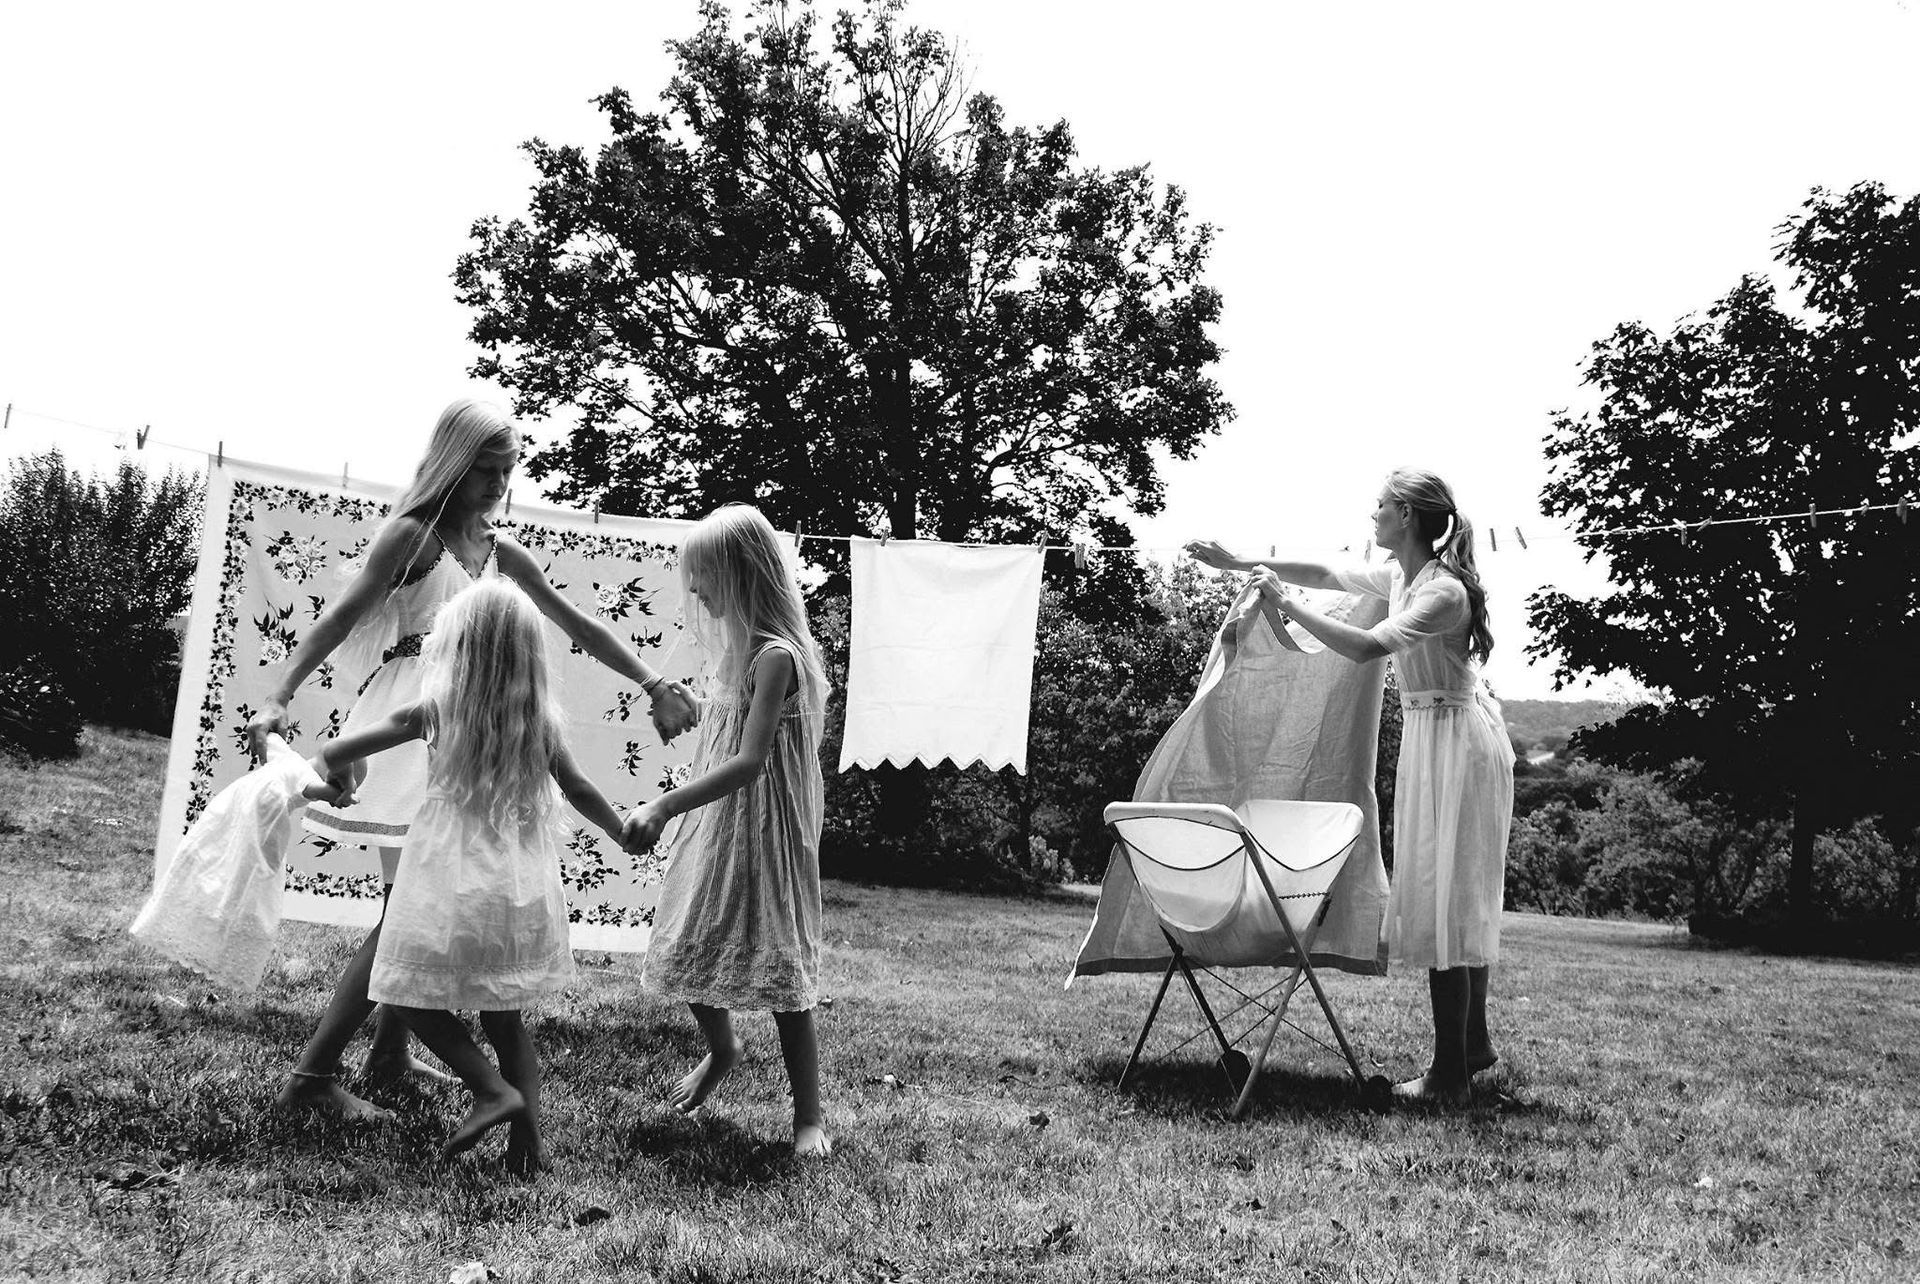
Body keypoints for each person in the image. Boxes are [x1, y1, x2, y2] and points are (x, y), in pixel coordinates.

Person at [248, 398, 699, 1121]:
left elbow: (577, 622)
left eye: (507, 470)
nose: (497, 483)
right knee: (406, 914)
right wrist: (280, 692)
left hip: (463, 735)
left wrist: (652, 682)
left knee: (414, 905)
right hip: (412, 730)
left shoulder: (500, 550)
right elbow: (340, 618)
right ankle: (310, 1079)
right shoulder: (413, 538)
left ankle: (387, 1056)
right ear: (453, 465)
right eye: (485, 470)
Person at [1185, 467, 1514, 1106]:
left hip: (1458, 743)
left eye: (1384, 506)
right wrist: (1239, 562)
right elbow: (1326, 574)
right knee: (1447, 893)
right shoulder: (1402, 577)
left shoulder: (1442, 593)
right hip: (1433, 734)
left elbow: (1366, 646)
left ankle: (1449, 1077)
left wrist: (1282, 603)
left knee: (1446, 898)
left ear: (1410, 517)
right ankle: (1471, 1049)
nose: (1374, 515)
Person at [310, 577, 631, 1169]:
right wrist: (620, 830)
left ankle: (488, 1087)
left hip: (446, 880)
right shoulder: (540, 722)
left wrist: (342, 773)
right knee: (505, 1017)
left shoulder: (434, 708)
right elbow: (582, 790)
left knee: (400, 987)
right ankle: (527, 1146)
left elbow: (338, 750)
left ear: (456, 646)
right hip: (517, 886)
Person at [622, 504, 832, 1158]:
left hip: (765, 833)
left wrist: (663, 806)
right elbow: (726, 733)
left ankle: (809, 1118)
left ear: (742, 574)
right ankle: (722, 1049)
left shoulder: (777, 657)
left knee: (779, 966)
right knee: (687, 937)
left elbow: (748, 762)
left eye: (704, 576)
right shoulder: (735, 656)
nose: (695, 590)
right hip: (721, 828)